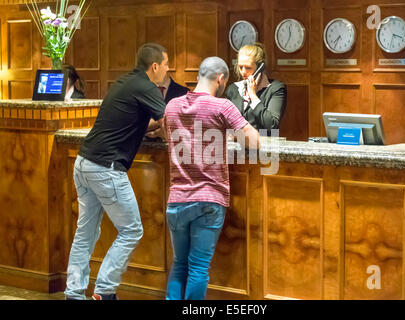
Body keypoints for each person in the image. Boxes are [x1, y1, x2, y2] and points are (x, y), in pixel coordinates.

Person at [64, 43, 169, 300]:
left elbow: (128, 122)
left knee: (85, 232)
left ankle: (74, 293)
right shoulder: (146, 86)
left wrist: (148, 128)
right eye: (166, 66)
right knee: (132, 230)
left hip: (84, 162)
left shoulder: (125, 82)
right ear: (154, 67)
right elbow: (169, 120)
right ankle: (105, 291)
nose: (168, 71)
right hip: (106, 168)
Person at [164, 56, 260, 300]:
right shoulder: (222, 106)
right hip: (209, 199)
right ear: (221, 79)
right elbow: (254, 142)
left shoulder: (172, 106)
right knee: (198, 267)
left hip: (177, 199)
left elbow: (172, 137)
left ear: (198, 76)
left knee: (179, 265)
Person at [225, 43, 287, 133]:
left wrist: (253, 96)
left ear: (260, 68)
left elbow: (272, 125)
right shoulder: (233, 89)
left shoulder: (275, 89)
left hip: (264, 144)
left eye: (248, 68)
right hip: (237, 144)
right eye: (240, 67)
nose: (243, 72)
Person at [146, 73, 190, 139]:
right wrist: (169, 119)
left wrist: (157, 131)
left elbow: (185, 124)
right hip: (143, 143)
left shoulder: (184, 92)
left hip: (174, 144)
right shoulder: (142, 92)